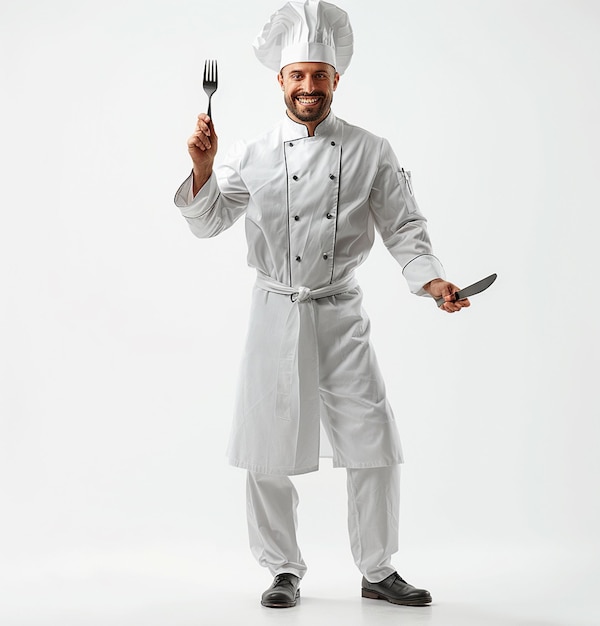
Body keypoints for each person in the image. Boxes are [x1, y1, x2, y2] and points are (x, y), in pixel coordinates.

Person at [174, 0, 469, 609]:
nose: (309, 86)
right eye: (298, 75)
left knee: (374, 438)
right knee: (266, 449)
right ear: (280, 81)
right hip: (274, 309)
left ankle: (378, 569)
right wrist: (202, 168)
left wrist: (431, 281)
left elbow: (405, 227)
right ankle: (282, 569)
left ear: (337, 79)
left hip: (340, 310)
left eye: (319, 75)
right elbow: (207, 226)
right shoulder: (251, 153)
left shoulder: (371, 150)